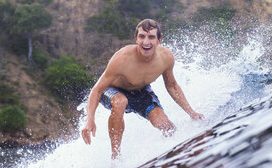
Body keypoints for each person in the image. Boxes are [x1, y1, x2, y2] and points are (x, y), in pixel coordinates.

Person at [81, 19, 204, 159]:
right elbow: (96, 90)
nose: (146, 42)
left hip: (141, 92)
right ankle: (116, 157)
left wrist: (192, 113)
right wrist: (89, 119)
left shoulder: (166, 58)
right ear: (136, 39)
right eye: (142, 37)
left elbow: (172, 86)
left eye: (151, 37)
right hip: (111, 90)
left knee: (168, 128)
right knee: (120, 101)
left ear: (159, 40)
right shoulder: (122, 58)